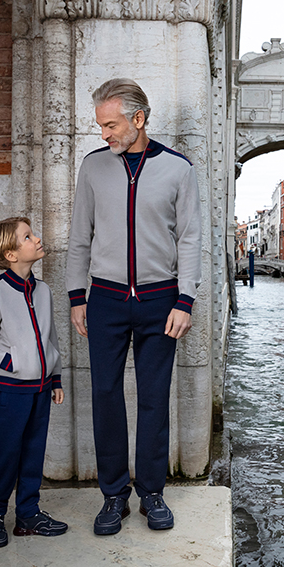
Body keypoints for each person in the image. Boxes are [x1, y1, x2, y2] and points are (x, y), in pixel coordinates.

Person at [66, 78, 201, 535]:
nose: (104, 134)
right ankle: (113, 496)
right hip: (104, 299)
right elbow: (79, 236)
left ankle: (153, 493)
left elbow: (190, 239)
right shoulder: (93, 168)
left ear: (138, 119)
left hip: (161, 301)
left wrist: (185, 300)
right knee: (104, 395)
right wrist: (75, 295)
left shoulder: (178, 169)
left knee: (153, 398)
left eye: (110, 124)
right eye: (100, 125)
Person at [0, 217, 68, 548]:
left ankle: (28, 514)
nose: (37, 239)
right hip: (11, 390)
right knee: (9, 454)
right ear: (11, 254)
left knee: (34, 453)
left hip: (41, 388)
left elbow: (50, 338)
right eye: (28, 236)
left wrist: (55, 377)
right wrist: (11, 362)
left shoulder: (44, 291)